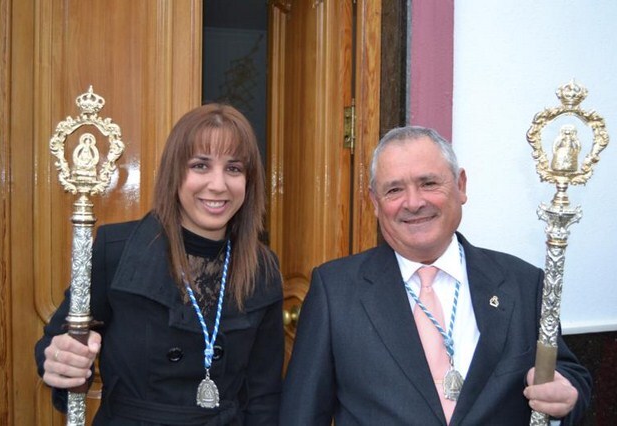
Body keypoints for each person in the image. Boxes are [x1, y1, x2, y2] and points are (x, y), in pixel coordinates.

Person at [279, 126, 591, 425]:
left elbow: (566, 373)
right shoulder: (335, 291)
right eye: (394, 190)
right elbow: (302, 413)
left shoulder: (522, 282)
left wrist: (567, 395)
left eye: (428, 183)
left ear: (461, 186)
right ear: (375, 203)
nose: (413, 203)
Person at [35, 103, 284, 425]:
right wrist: (60, 362)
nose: (219, 185)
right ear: (174, 172)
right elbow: (55, 344)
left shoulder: (263, 268)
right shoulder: (116, 249)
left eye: (234, 168)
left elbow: (264, 396)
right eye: (200, 165)